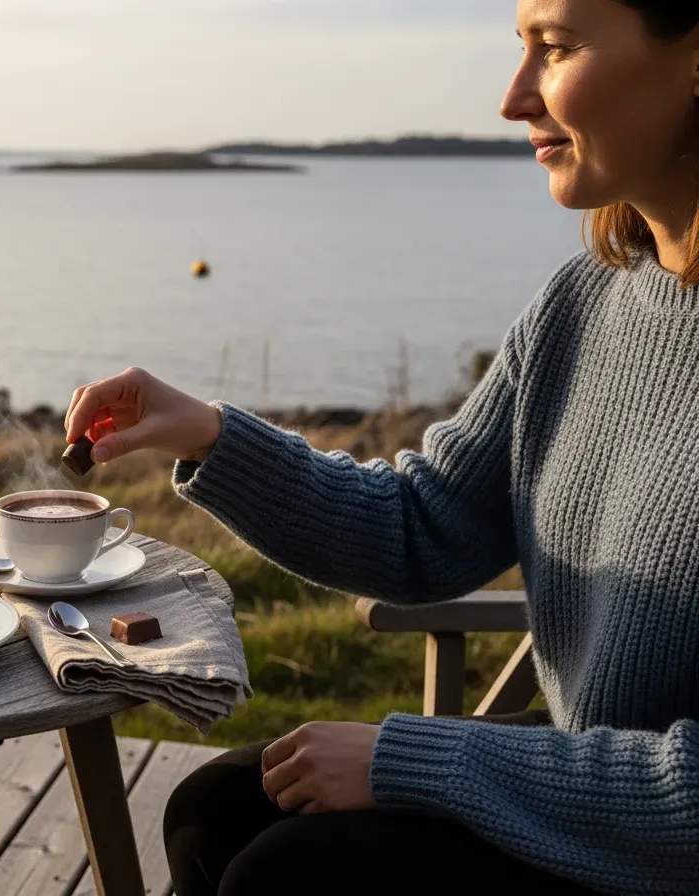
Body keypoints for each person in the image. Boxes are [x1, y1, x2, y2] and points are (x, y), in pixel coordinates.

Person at [62, 2, 699, 892]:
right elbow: (426, 526)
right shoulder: (586, 303)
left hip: (664, 837)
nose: (515, 98)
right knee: (213, 810)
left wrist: (413, 760)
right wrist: (211, 433)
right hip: (591, 776)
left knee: (291, 874)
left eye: (555, 49)